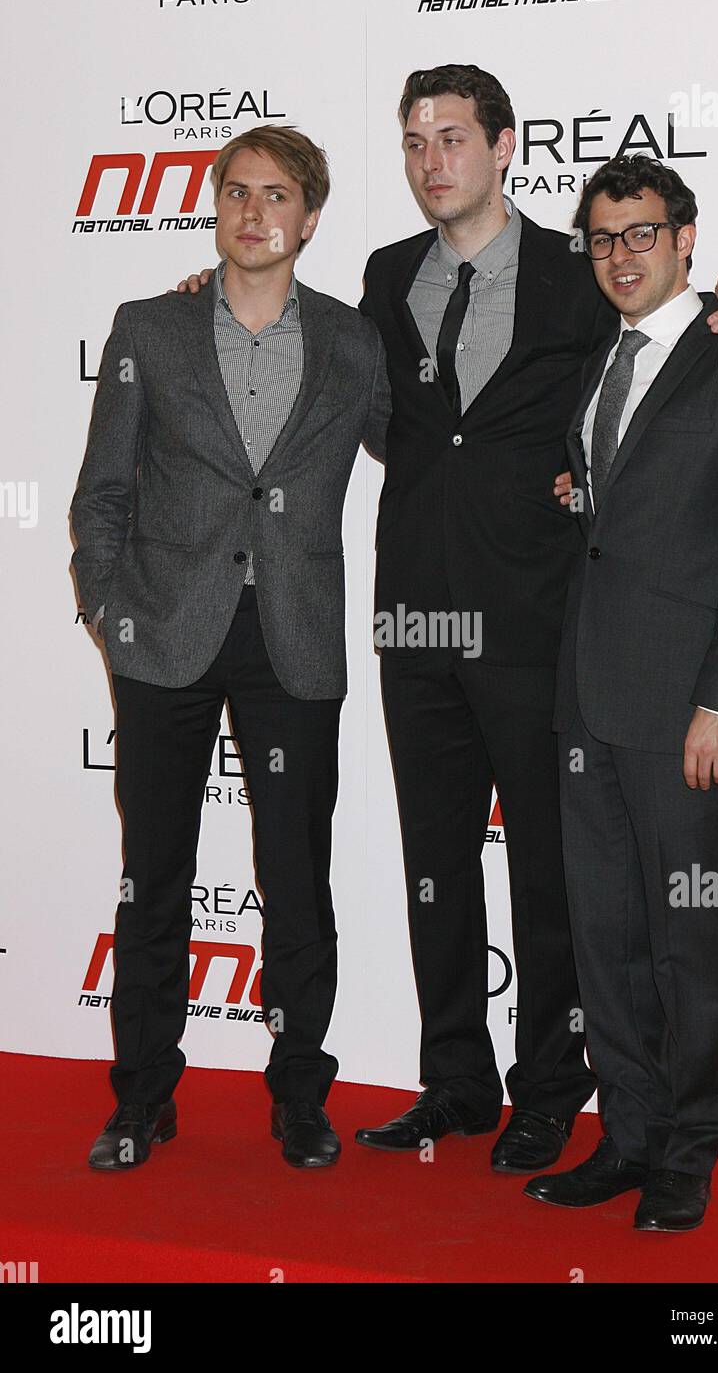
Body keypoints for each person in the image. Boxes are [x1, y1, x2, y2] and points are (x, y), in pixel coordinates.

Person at [177, 65, 718, 1177]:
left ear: (504, 148)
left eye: (452, 136)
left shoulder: (578, 267)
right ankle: (455, 1079)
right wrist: (214, 313)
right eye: (413, 141)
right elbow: (339, 392)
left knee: (551, 875)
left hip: (544, 624)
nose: (430, 159)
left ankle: (551, 1089)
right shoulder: (381, 272)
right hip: (412, 618)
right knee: (435, 861)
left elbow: (660, 356)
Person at [70, 124, 390, 1172]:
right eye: (238, 193)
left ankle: (301, 1099)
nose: (256, 214)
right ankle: (141, 1101)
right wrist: (112, 614)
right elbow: (102, 492)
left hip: (292, 641)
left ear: (309, 217)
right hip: (164, 634)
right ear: (215, 204)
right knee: (153, 875)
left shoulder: (354, 342)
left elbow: (453, 443)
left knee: (296, 878)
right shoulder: (148, 327)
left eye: (280, 196)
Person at [524, 154, 718, 1230]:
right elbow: (624, 514)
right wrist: (577, 490)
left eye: (640, 233)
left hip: (688, 707)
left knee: (689, 938)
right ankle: (630, 1133)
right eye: (602, 238)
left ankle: (691, 1148)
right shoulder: (607, 363)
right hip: (587, 698)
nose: (620, 255)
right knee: (606, 937)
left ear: (685, 238)